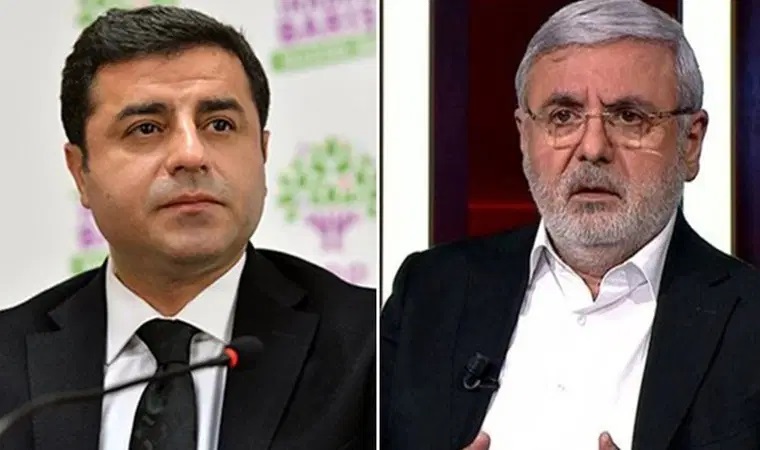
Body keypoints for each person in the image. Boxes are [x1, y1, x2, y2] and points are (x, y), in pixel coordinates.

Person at [381, 0, 760, 449]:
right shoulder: (429, 292)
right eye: (563, 116)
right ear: (524, 137)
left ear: (690, 143)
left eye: (629, 117)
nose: (593, 148)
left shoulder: (749, 321)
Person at [0, 6, 375, 450]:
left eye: (219, 124)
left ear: (262, 152)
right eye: (146, 128)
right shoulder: (8, 361)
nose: (191, 155)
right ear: (80, 171)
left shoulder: (373, 344)